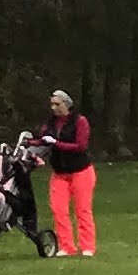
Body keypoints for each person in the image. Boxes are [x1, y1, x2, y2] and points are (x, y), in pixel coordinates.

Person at [37, 90, 99, 258]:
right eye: (52, 104)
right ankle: (66, 246)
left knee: (82, 210)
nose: (53, 107)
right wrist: (29, 146)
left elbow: (80, 146)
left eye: (57, 104)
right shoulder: (50, 123)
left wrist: (56, 143)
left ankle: (87, 246)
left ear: (67, 105)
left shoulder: (80, 121)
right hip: (59, 173)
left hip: (81, 171)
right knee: (58, 210)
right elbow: (41, 141)